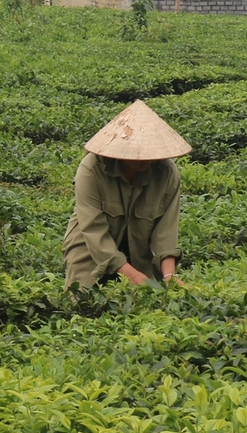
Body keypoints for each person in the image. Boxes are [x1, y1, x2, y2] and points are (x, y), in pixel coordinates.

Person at [63, 99, 189, 292]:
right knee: (82, 302)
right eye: (137, 154)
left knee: (147, 307)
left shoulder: (166, 172)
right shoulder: (92, 169)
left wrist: (169, 276)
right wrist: (130, 274)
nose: (145, 160)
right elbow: (93, 230)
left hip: (140, 247)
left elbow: (166, 231)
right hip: (89, 247)